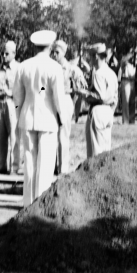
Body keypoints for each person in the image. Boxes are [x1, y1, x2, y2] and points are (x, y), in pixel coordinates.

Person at [13, 30, 67, 208]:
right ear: (51, 46)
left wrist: (18, 114)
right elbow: (58, 98)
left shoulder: (23, 66)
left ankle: (28, 203)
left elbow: (17, 97)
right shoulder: (54, 68)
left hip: (27, 118)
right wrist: (63, 117)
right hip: (48, 119)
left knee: (30, 162)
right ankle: (40, 203)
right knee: (45, 163)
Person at [75, 43, 119, 158]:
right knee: (106, 150)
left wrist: (83, 92)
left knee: (96, 152)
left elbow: (100, 96)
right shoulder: (112, 73)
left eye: (90, 55)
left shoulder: (98, 73)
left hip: (98, 111)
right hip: (109, 111)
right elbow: (115, 97)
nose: (89, 58)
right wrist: (111, 111)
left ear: (96, 56)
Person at [50, 39, 87, 175]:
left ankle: (62, 168)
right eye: (52, 52)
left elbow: (82, 85)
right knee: (51, 135)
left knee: (62, 136)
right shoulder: (49, 67)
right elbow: (42, 86)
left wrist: (75, 91)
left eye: (57, 52)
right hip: (51, 101)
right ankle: (51, 167)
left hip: (65, 100)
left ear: (64, 53)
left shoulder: (71, 68)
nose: (54, 54)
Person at [0, 40, 20, 175]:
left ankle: (14, 167)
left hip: (13, 102)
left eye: (7, 53)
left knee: (14, 135)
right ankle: (0, 166)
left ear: (14, 54)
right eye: (2, 53)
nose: (3, 56)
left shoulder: (19, 68)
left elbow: (22, 89)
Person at [119, 49, 137, 124]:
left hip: (132, 81)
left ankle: (132, 120)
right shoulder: (124, 61)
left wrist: (136, 57)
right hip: (125, 81)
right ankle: (125, 120)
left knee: (132, 102)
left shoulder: (134, 63)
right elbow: (123, 60)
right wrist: (131, 54)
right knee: (125, 102)